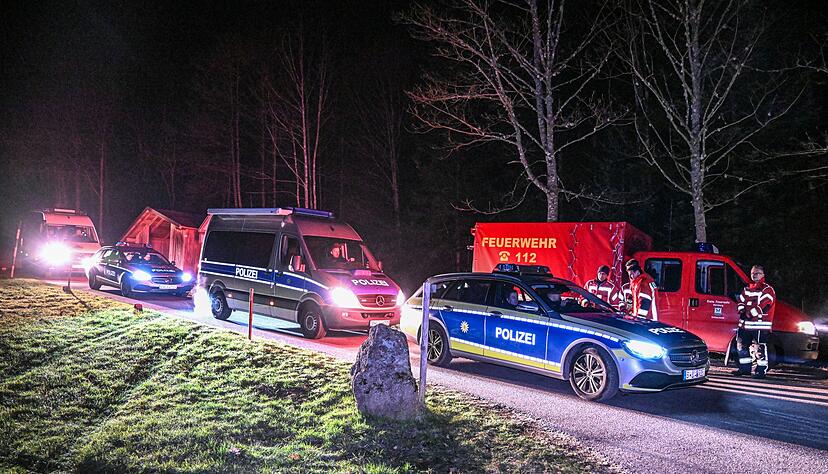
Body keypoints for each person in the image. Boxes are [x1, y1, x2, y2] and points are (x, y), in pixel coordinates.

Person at [732, 265, 776, 379]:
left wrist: (749, 313)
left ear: (763, 275)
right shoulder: (747, 289)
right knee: (741, 346)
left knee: (759, 348)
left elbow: (764, 305)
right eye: (752, 273)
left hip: (759, 326)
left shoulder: (767, 289)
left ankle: (761, 371)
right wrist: (742, 310)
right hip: (745, 325)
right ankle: (745, 369)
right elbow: (741, 301)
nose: (754, 275)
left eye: (757, 273)